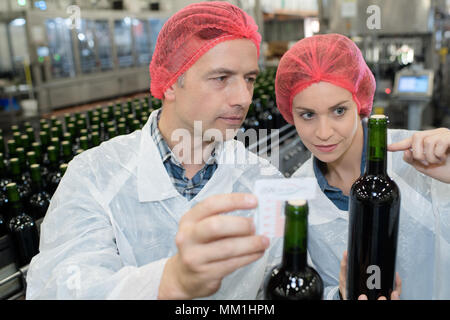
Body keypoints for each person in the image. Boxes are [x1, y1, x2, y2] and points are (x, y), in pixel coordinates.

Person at [25, 1, 283, 300]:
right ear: (172, 82)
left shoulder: (267, 181)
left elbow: (280, 280)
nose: (242, 97)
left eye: (249, 79)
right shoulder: (93, 175)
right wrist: (169, 281)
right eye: (221, 78)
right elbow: (64, 286)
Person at [274, 33, 450, 300]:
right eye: (308, 115)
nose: (323, 133)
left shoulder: (422, 160)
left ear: (360, 101)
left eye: (339, 111)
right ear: (290, 113)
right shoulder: (295, 196)